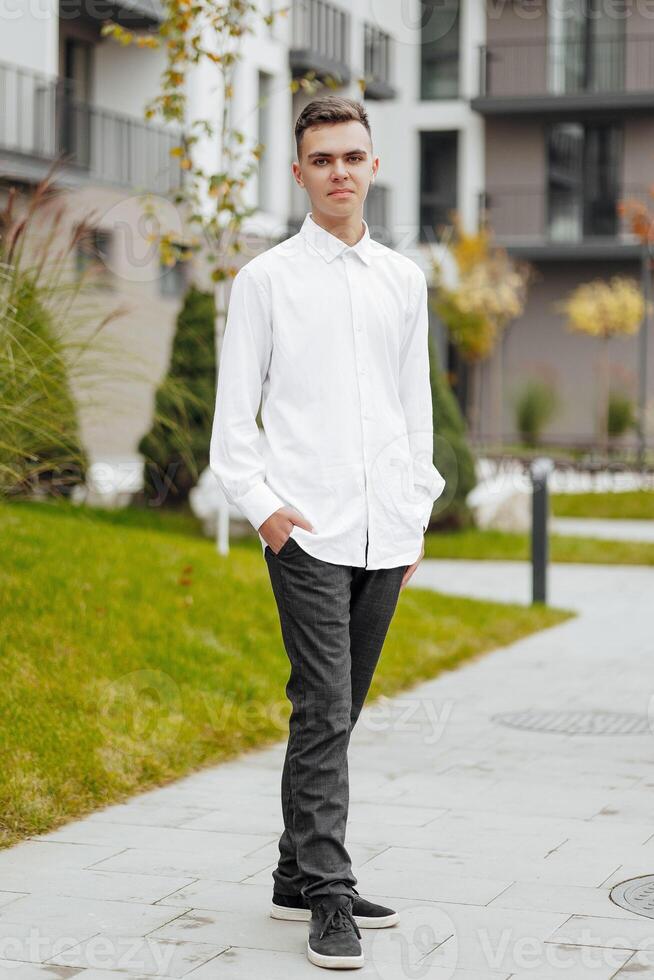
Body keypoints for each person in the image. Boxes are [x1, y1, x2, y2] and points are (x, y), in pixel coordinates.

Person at [209, 95, 446, 970]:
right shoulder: (266, 280)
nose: (339, 170)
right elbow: (235, 422)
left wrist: (415, 507)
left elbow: (412, 405)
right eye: (322, 158)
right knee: (324, 704)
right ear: (300, 172)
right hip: (305, 529)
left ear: (373, 166)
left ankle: (289, 872)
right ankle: (329, 893)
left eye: (353, 155)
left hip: (386, 528)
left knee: (333, 713)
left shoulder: (404, 280)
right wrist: (265, 511)